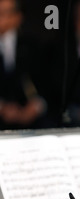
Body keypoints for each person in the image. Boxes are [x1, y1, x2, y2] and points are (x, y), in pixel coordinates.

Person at [0, 0, 54, 129]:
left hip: (33, 121)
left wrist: (36, 106)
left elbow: (48, 83)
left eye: (5, 13)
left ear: (18, 16)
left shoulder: (34, 47)